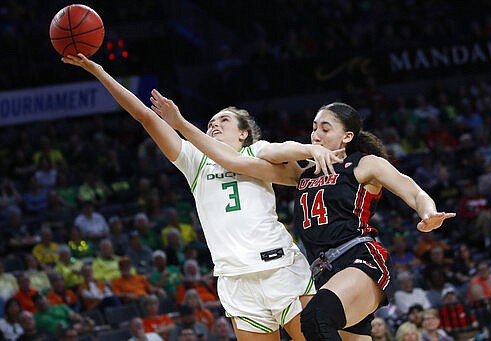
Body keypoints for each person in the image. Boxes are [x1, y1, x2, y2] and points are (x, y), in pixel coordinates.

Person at [150, 98, 456, 340]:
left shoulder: (364, 164)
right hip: (321, 270)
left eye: (325, 128)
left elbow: (412, 190)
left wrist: (428, 213)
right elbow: (234, 161)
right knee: (326, 328)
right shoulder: (301, 172)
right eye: (313, 128)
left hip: (357, 258)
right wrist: (181, 126)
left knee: (316, 320)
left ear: (347, 136)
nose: (316, 134)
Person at [62, 53, 319, 341]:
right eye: (210, 123)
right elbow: (145, 117)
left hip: (277, 267)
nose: (214, 125)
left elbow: (287, 155)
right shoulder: (194, 161)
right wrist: (98, 71)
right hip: (234, 278)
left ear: (244, 134)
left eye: (223, 120)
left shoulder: (255, 151)